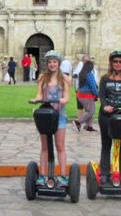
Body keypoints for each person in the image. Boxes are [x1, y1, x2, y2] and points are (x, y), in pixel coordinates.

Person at [30, 50, 70, 187]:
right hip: (46, 114)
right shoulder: (42, 77)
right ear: (47, 64)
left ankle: (63, 176)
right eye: (50, 62)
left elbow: (66, 96)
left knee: (59, 146)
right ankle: (42, 175)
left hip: (59, 115)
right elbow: (40, 95)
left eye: (54, 62)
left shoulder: (64, 78)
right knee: (45, 147)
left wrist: (62, 100)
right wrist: (35, 100)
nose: (52, 64)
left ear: (58, 63)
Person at [98, 50, 121, 185]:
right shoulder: (105, 78)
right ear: (111, 63)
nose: (118, 64)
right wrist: (105, 106)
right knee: (106, 145)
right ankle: (105, 174)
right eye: (115, 62)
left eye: (120, 62)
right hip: (107, 116)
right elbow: (102, 95)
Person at [73, 60, 98, 132]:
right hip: (87, 95)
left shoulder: (81, 74)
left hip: (80, 95)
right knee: (91, 111)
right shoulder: (89, 75)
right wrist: (97, 94)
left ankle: (89, 126)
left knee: (88, 110)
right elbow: (93, 86)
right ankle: (78, 121)